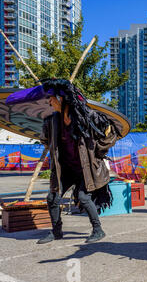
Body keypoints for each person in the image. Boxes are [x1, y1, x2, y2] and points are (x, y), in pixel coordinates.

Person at [37, 79, 119, 244]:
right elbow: (45, 140)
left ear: (61, 99)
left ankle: (98, 229)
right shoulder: (52, 121)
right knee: (52, 197)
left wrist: (98, 152)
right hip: (65, 169)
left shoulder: (86, 117)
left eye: (52, 98)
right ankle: (56, 231)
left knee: (83, 197)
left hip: (86, 168)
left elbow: (110, 134)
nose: (49, 102)